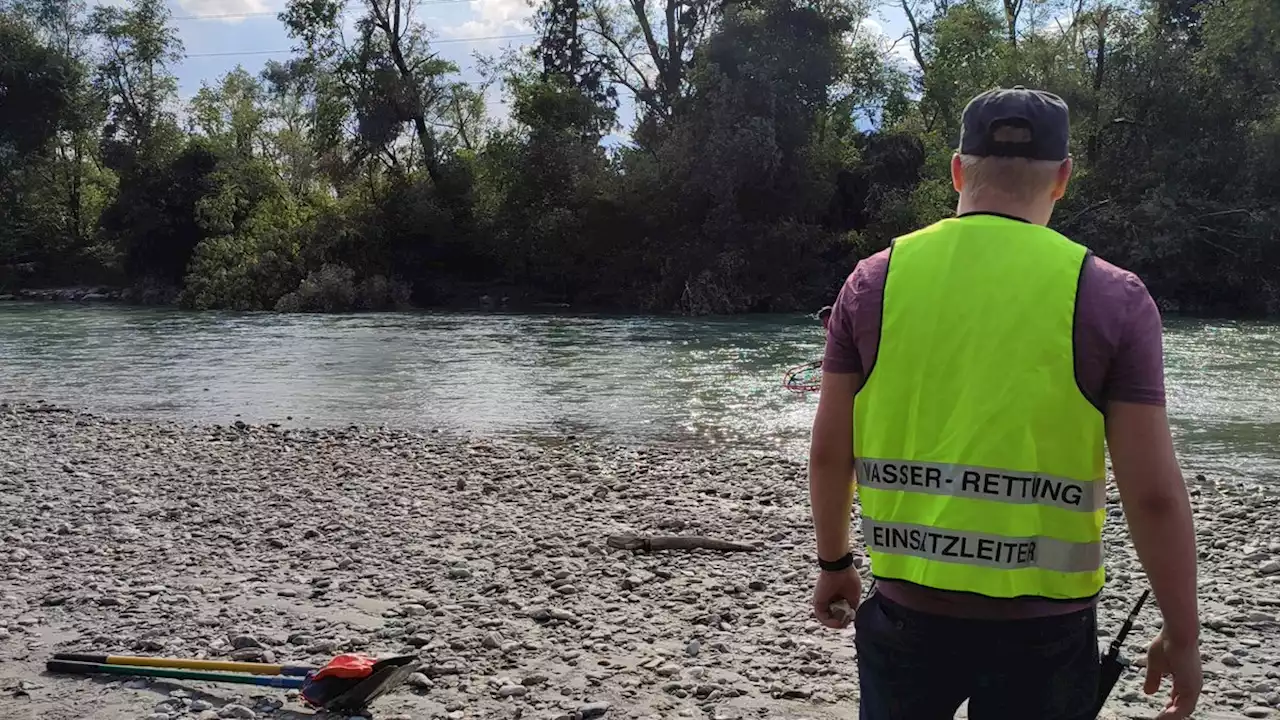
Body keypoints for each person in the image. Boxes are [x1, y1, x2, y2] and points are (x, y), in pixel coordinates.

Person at [807, 86, 1201, 720]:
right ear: (1063, 178)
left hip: (907, 611)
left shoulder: (873, 281)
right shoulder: (1112, 297)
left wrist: (834, 562)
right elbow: (1151, 492)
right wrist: (1182, 631)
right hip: (1045, 632)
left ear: (958, 169)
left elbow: (830, 453)